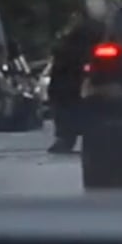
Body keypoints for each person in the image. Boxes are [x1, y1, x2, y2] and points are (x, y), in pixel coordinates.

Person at [46, 19, 96, 154]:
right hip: (73, 85)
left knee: (65, 111)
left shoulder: (66, 47)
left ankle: (65, 137)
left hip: (67, 86)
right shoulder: (78, 47)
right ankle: (67, 137)